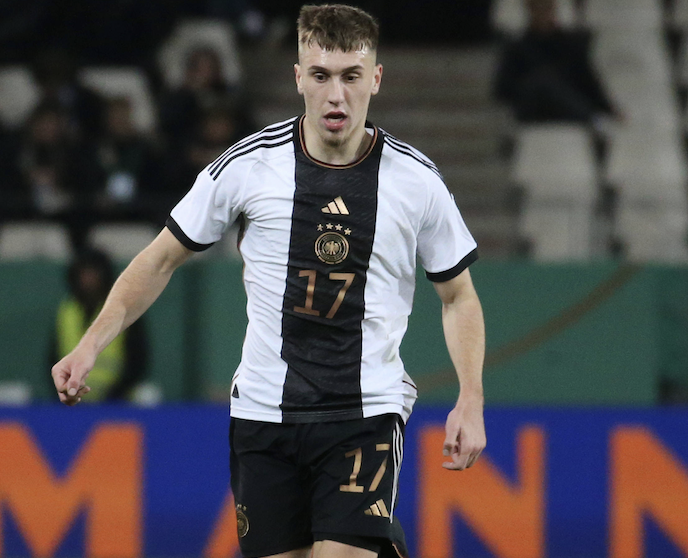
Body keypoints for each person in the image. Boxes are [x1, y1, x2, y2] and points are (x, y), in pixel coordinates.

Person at [52, 5, 486, 558]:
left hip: (364, 413)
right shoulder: (248, 165)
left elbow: (458, 295)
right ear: (298, 77)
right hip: (263, 414)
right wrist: (90, 344)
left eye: (351, 76)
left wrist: (470, 398)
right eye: (321, 76)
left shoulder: (416, 181)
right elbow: (159, 259)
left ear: (375, 79)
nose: (336, 96)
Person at [493, 0, 618, 125]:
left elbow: (587, 79)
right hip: (533, 107)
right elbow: (504, 88)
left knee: (551, 84)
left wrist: (609, 109)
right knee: (541, 82)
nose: (542, 14)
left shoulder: (569, 44)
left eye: (546, 9)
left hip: (565, 105)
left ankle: (589, 117)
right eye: (538, 9)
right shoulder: (518, 47)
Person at [51, 248, 149, 402]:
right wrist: (64, 389)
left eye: (94, 273)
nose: (88, 279)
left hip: (117, 402)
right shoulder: (67, 310)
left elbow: (138, 358)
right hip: (72, 399)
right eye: (84, 273)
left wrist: (117, 393)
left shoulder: (123, 309)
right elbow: (53, 355)